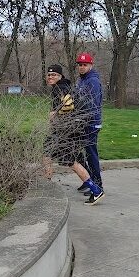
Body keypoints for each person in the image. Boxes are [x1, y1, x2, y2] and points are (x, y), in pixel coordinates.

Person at [43, 64, 105, 206]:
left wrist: (55, 113)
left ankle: (96, 190)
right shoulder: (62, 86)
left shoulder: (61, 88)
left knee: (69, 160)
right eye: (49, 75)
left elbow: (69, 105)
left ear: (60, 76)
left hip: (68, 130)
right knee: (50, 154)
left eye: (54, 75)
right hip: (67, 129)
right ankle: (47, 185)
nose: (51, 77)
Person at [75, 52, 104, 203]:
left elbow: (91, 104)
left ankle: (97, 185)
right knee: (78, 152)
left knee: (91, 154)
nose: (82, 67)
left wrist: (82, 119)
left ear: (90, 65)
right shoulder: (82, 80)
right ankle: (87, 180)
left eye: (85, 65)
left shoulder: (92, 81)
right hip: (81, 122)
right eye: (80, 65)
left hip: (90, 123)